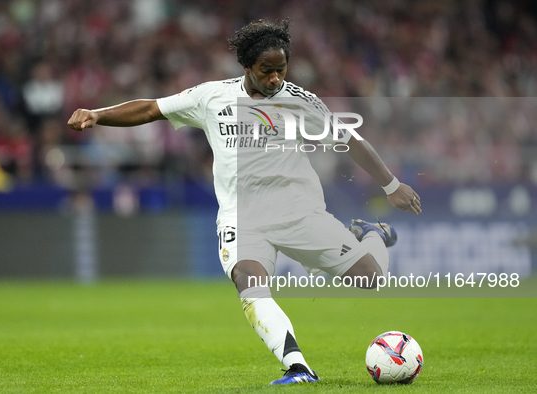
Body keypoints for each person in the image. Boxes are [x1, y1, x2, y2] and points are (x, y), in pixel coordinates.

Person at [67, 18, 422, 385]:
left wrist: (391, 185)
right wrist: (98, 115)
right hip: (243, 217)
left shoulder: (300, 102)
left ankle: (373, 234)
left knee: (371, 279)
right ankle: (298, 367)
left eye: (280, 70)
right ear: (246, 67)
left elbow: (350, 141)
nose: (274, 78)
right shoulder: (211, 97)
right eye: (266, 71)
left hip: (299, 213)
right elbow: (151, 108)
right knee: (249, 282)